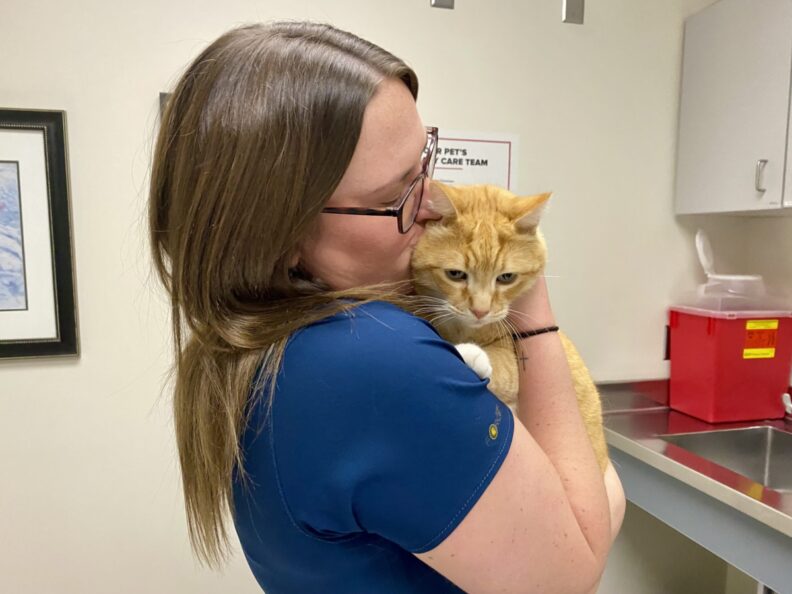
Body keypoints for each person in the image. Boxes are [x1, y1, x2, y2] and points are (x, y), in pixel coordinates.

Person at [148, 21, 626, 594]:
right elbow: (571, 574)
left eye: (424, 162)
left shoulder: (263, 344)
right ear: (284, 236)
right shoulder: (374, 362)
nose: (428, 207)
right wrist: (537, 315)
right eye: (394, 195)